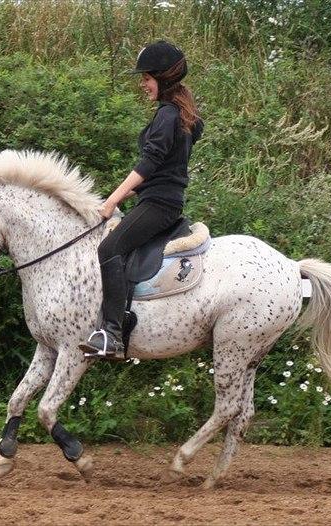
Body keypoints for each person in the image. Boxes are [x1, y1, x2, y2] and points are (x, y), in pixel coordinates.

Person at [80, 40, 204, 360]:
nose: (143, 84)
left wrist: (111, 201)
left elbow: (148, 166)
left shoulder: (166, 115)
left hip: (159, 205)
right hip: (160, 199)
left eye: (147, 78)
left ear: (163, 79)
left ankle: (111, 334)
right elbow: (161, 171)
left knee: (108, 248)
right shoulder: (182, 114)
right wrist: (127, 195)